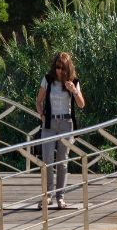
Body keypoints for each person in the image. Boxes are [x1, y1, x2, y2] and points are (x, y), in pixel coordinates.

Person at [35, 52, 85, 209]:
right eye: (57, 67)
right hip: (49, 124)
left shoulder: (73, 82)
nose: (59, 71)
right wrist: (41, 114)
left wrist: (74, 91)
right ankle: (47, 196)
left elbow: (81, 104)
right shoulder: (48, 80)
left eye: (63, 68)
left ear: (68, 68)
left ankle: (60, 197)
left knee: (62, 162)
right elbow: (39, 100)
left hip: (66, 124)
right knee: (47, 160)